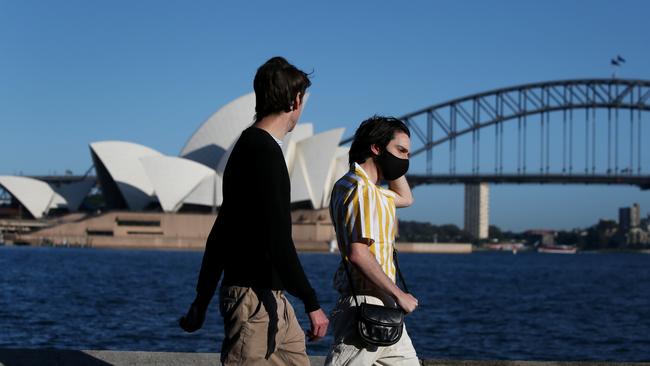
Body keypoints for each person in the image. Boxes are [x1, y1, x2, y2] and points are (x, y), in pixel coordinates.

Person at [179, 56, 329, 366]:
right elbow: (277, 239)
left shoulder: (252, 148)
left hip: (273, 298)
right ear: (296, 100)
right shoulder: (262, 153)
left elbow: (222, 232)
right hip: (252, 300)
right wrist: (312, 302)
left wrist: (202, 300)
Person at [325, 116, 419, 366]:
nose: (405, 159)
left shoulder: (355, 186)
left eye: (408, 154)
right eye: (400, 151)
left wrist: (394, 165)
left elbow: (406, 198)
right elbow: (358, 253)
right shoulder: (363, 192)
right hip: (366, 305)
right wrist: (400, 295)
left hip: (383, 307)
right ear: (376, 148)